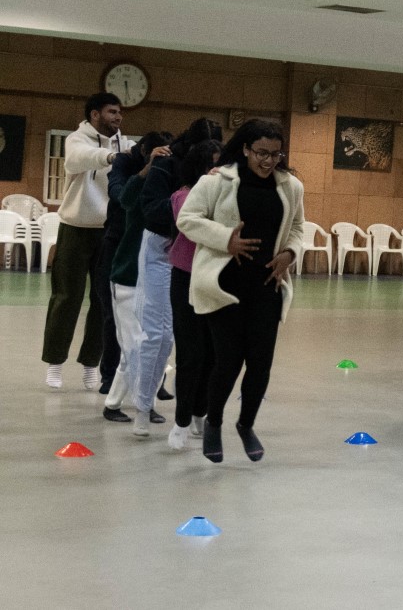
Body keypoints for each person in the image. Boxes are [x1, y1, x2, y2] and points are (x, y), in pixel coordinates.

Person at [177, 120, 305, 463]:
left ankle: (246, 424)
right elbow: (187, 219)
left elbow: (297, 227)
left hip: (266, 286)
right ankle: (213, 422)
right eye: (261, 152)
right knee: (228, 362)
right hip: (225, 286)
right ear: (245, 149)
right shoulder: (216, 181)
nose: (268, 161)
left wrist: (290, 253)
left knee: (260, 365)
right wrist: (225, 239)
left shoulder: (291, 186)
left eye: (275, 154)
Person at [41, 92, 130, 389]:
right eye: (112, 112)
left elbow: (138, 157)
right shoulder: (76, 139)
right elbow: (79, 159)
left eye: (119, 112)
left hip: (108, 231)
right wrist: (111, 157)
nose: (118, 117)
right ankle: (55, 364)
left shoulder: (125, 143)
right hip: (75, 228)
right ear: (95, 114)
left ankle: (91, 365)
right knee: (66, 297)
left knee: (103, 302)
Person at [101, 131, 173, 435]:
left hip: (156, 279)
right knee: (133, 348)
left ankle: (137, 403)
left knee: (155, 346)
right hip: (127, 277)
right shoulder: (138, 184)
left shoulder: (171, 190)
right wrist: (147, 169)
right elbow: (125, 198)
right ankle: (119, 404)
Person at [166, 139, 223, 450]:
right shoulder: (183, 196)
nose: (218, 170)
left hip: (215, 279)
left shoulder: (226, 196)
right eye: (212, 164)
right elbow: (191, 227)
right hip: (186, 279)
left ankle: (201, 411)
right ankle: (181, 420)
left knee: (213, 354)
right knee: (190, 354)